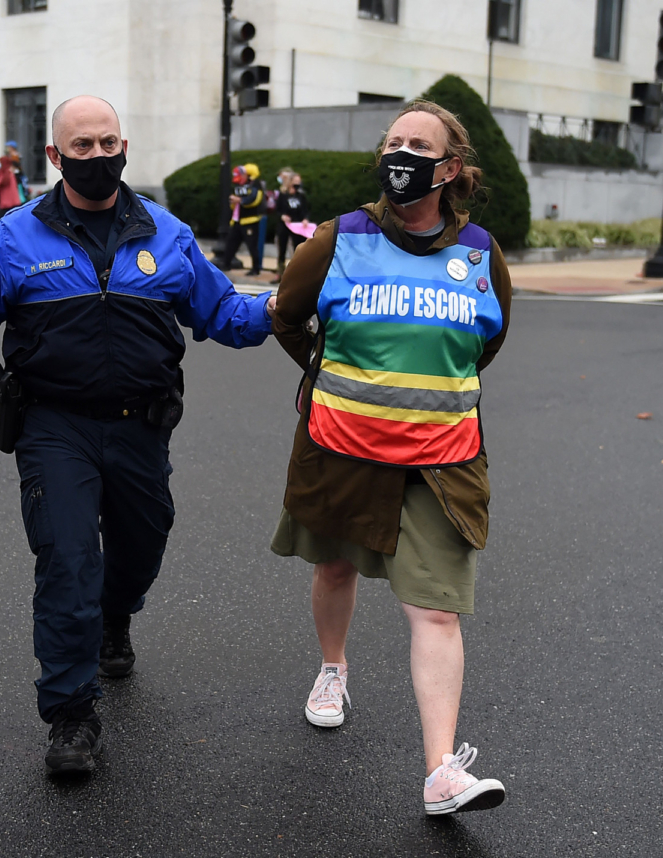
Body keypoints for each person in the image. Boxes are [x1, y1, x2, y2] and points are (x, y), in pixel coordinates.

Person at [0, 95, 275, 777]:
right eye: (80, 147)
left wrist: (287, 306)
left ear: (124, 147)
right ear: (55, 157)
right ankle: (71, 714)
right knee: (68, 558)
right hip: (54, 428)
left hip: (141, 426)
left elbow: (225, 311)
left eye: (107, 142)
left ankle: (116, 617)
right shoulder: (14, 236)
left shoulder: (166, 234)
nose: (96, 156)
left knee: (140, 548)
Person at [269, 99, 512, 816]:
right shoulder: (338, 237)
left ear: (451, 168)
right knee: (337, 565)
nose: (401, 154)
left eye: (419, 144)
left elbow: (485, 343)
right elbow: (289, 314)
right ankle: (332, 669)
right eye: (394, 141)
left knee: (436, 611)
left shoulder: (479, 256)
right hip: (342, 449)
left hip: (441, 463)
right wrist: (330, 381)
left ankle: (442, 770)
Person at [215, 163, 266, 275]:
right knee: (231, 243)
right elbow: (233, 203)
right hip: (237, 220)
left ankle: (255, 268)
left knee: (252, 245)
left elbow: (255, 199)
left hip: (250, 220)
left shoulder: (255, 185)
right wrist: (233, 202)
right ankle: (226, 264)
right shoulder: (238, 186)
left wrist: (241, 201)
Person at [274, 172, 310, 279]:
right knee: (282, 248)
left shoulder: (301, 195)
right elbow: (277, 209)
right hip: (285, 225)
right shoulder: (283, 195)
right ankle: (280, 272)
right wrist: (282, 216)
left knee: (297, 249)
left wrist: (305, 219)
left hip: (297, 225)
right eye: (295, 182)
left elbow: (306, 210)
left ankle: (296, 273)